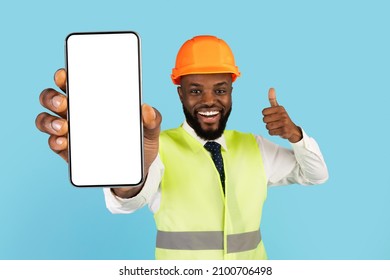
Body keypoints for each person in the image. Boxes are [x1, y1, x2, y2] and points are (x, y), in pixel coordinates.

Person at [36, 35, 328, 260]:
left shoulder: (255, 147)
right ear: (180, 94)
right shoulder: (157, 148)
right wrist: (125, 176)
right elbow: (126, 202)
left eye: (220, 90)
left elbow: (316, 175)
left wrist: (295, 135)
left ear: (231, 91)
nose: (210, 101)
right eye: (196, 90)